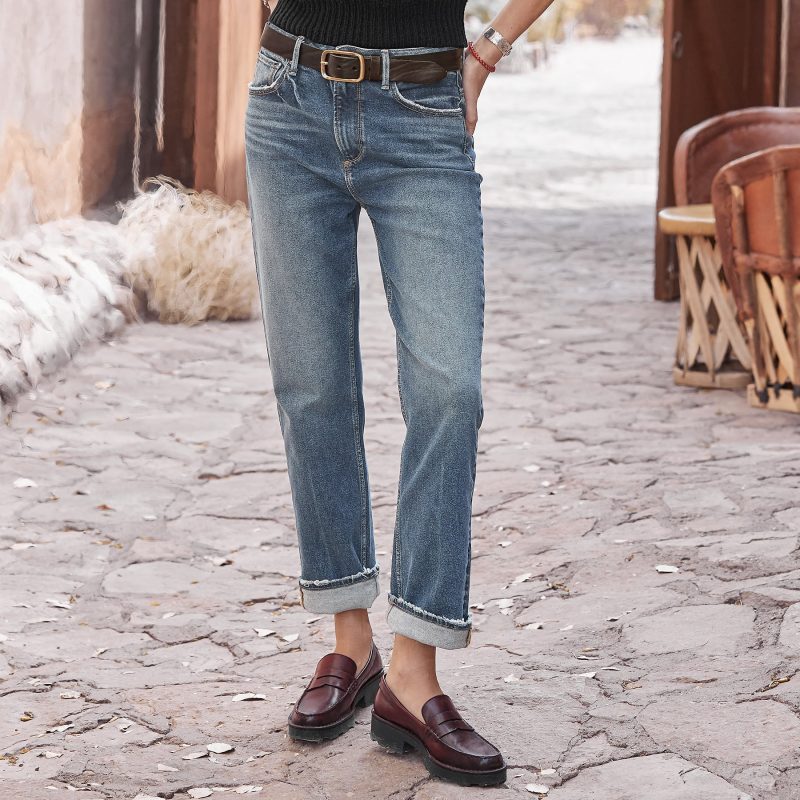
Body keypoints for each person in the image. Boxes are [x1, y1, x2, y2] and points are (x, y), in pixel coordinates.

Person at [245, 0, 556, 787]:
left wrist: (488, 52)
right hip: (289, 97)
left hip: (423, 110)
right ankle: (351, 642)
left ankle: (413, 675)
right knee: (312, 387)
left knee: (450, 391)